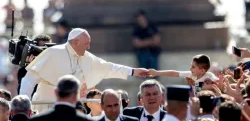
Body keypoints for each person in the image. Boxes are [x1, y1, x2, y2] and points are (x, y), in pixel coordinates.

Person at [20, 28, 148, 112]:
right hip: (46, 107)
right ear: (75, 42)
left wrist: (133, 71)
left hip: (74, 110)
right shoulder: (53, 53)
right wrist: (23, 105)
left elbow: (108, 68)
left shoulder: (86, 57)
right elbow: (29, 80)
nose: (89, 47)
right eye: (86, 43)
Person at [148, 54, 219, 96]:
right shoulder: (191, 75)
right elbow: (174, 73)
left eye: (193, 67)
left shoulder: (209, 76)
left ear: (202, 70)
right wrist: (157, 73)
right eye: (191, 66)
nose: (190, 69)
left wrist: (203, 87)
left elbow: (218, 84)